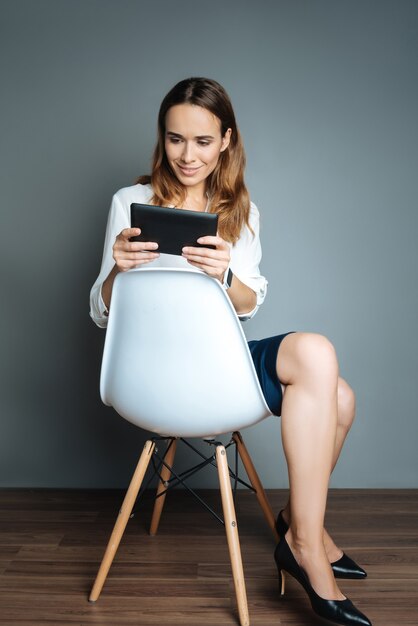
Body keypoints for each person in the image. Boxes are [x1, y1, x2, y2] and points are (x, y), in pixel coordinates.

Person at [90, 77, 372, 626]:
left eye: (200, 141)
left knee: (337, 390)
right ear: (162, 140)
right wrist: (115, 273)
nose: (186, 155)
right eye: (175, 140)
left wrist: (226, 274)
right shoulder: (130, 202)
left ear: (225, 140)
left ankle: (302, 532)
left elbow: (247, 306)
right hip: (147, 371)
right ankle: (306, 543)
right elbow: (100, 310)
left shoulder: (240, 210)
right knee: (331, 391)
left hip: (219, 366)